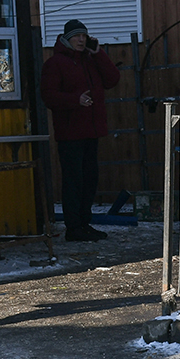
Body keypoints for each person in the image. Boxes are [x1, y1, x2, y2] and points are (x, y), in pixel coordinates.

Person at [41, 19, 120, 243]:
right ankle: (73, 227)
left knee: (89, 180)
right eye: (76, 36)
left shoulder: (89, 60)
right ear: (66, 39)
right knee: (74, 181)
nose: (81, 40)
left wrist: (98, 53)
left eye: (84, 36)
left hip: (91, 130)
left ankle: (84, 224)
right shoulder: (55, 64)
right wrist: (75, 100)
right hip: (70, 133)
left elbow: (112, 79)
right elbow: (49, 96)